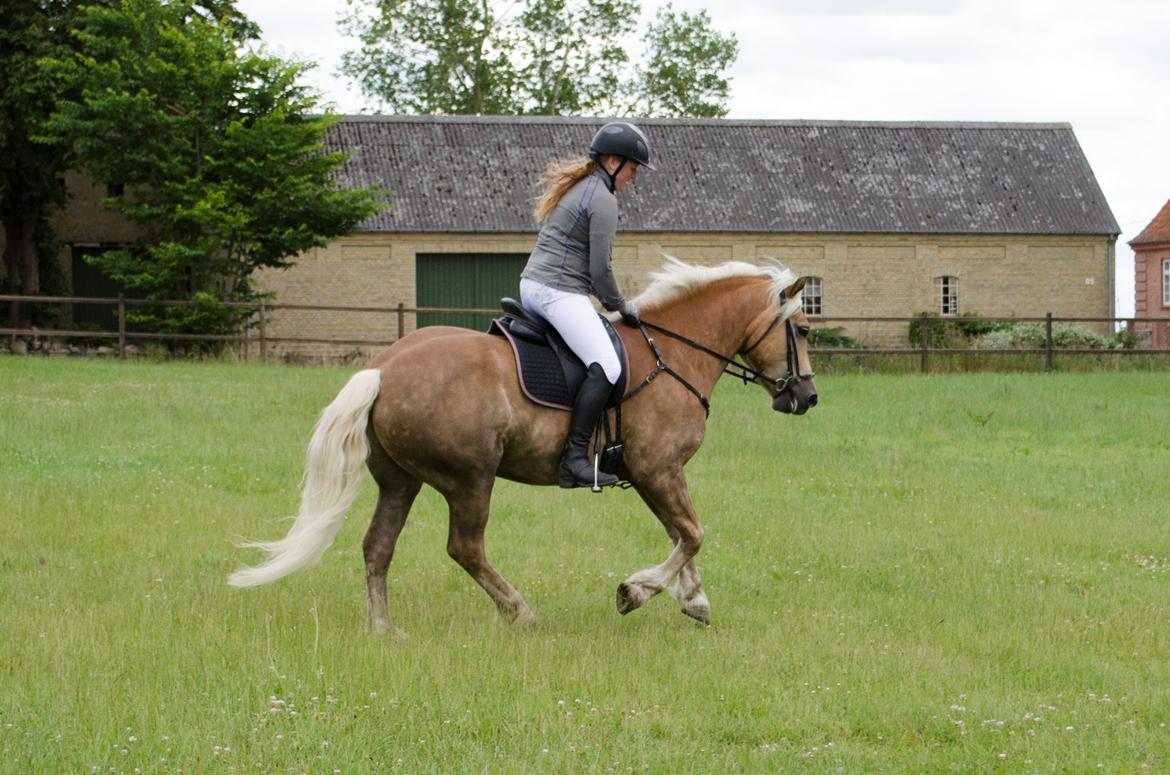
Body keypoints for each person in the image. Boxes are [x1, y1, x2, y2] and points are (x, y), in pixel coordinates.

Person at [519, 121, 655, 489]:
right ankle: (574, 459)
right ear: (613, 162)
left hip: (536, 285)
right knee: (608, 365)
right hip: (557, 291)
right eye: (632, 167)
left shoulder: (583, 187)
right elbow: (600, 269)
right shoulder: (602, 199)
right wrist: (621, 305)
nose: (634, 176)